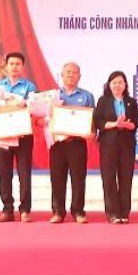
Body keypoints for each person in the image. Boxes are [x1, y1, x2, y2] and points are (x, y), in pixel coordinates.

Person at [0, 52, 36, 223]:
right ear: (6, 66)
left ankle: (25, 210)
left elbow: (34, 107)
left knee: (24, 173)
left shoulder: (29, 86)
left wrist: (24, 104)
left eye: (18, 64)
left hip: (23, 134)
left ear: (22, 67)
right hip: (3, 134)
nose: (14, 67)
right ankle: (7, 209)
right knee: (4, 173)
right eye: (11, 63)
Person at [49, 62, 96, 224]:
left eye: (74, 72)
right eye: (67, 72)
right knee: (57, 178)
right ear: (61, 75)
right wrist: (43, 121)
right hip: (57, 143)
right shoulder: (53, 96)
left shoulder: (87, 96)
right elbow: (43, 118)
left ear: (79, 76)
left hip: (77, 143)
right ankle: (58, 212)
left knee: (78, 178)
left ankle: (78, 211)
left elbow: (92, 120)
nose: (71, 75)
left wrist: (92, 132)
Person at [94, 71, 138, 224]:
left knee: (126, 178)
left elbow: (136, 123)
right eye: (114, 82)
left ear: (125, 85)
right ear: (109, 85)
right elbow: (98, 122)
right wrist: (115, 124)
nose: (117, 85)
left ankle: (124, 212)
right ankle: (112, 213)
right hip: (108, 144)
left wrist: (127, 125)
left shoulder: (131, 102)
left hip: (127, 144)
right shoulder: (103, 101)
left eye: (120, 82)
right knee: (109, 178)